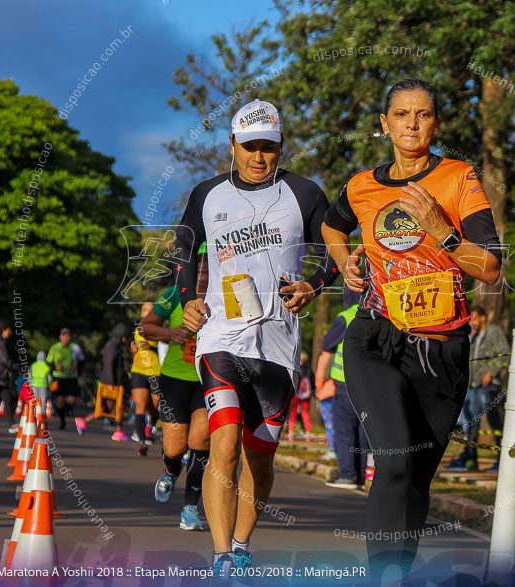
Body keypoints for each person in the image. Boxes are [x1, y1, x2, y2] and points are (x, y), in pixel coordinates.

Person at [320, 79, 502, 581]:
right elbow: (333, 226)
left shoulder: (459, 178)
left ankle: (400, 570)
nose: (412, 124)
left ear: (436, 124)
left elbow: (490, 267)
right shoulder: (361, 186)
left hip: (442, 349)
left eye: (423, 114)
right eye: (401, 114)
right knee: (396, 460)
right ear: (385, 124)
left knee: (417, 476)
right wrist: (344, 261)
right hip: (376, 339)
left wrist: (443, 230)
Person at [177, 98, 338, 578]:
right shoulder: (207, 194)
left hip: (280, 349)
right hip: (221, 338)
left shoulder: (305, 193)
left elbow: (338, 251)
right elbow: (185, 247)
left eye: (268, 147)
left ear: (281, 147)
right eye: (249, 147)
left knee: (259, 461)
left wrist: (315, 283)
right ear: (232, 144)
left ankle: (242, 542)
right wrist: (188, 297)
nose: (259, 157)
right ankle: (222, 555)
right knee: (223, 441)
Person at [138, 280, 211, 532]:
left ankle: (190, 508)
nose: (204, 270)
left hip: (210, 380)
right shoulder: (175, 294)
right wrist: (171, 334)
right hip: (175, 380)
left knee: (201, 440)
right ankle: (170, 471)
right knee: (175, 448)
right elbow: (145, 327)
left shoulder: (225, 292)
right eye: (199, 262)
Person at [445, 306, 508, 472]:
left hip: (487, 386)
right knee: (471, 423)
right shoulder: (474, 334)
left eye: (474, 319)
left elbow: (504, 354)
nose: (471, 322)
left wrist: (490, 373)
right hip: (473, 385)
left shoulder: (494, 332)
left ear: (483, 318)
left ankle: (502, 461)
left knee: (495, 422)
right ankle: (470, 458)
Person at [323, 289, 370, 489]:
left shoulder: (346, 317)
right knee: (363, 431)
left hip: (344, 384)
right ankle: (359, 475)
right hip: (369, 387)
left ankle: (348, 475)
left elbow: (327, 343)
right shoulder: (377, 313)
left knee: (344, 432)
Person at [130, 301, 162, 455]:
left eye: (151, 310)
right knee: (140, 406)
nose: (148, 312)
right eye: (145, 310)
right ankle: (141, 441)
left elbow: (167, 341)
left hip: (155, 372)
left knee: (153, 407)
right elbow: (131, 345)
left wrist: (152, 346)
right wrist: (132, 348)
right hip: (138, 370)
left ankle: (153, 424)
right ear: (141, 313)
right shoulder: (136, 329)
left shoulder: (159, 328)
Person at [46, 328, 78, 429]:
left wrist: (77, 367)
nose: (66, 338)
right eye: (64, 335)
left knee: (72, 400)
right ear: (60, 337)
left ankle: (66, 408)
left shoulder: (75, 348)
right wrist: (54, 367)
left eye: (68, 335)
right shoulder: (55, 348)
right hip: (58, 377)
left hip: (71, 378)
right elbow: (48, 362)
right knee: (59, 399)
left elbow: (82, 360)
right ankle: (62, 420)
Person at [287, 352, 313, 441]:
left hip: (296, 394)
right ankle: (308, 434)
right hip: (306, 394)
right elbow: (312, 380)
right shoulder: (309, 368)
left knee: (293, 414)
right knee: (305, 413)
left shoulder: (296, 368)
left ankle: (290, 433)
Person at [30, 351, 52, 418]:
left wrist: (29, 383)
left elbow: (30, 375)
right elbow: (49, 378)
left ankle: (33, 411)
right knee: (42, 399)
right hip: (43, 385)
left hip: (34, 384)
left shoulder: (33, 365)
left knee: (35, 398)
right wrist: (49, 384)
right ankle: (41, 413)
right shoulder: (46, 366)